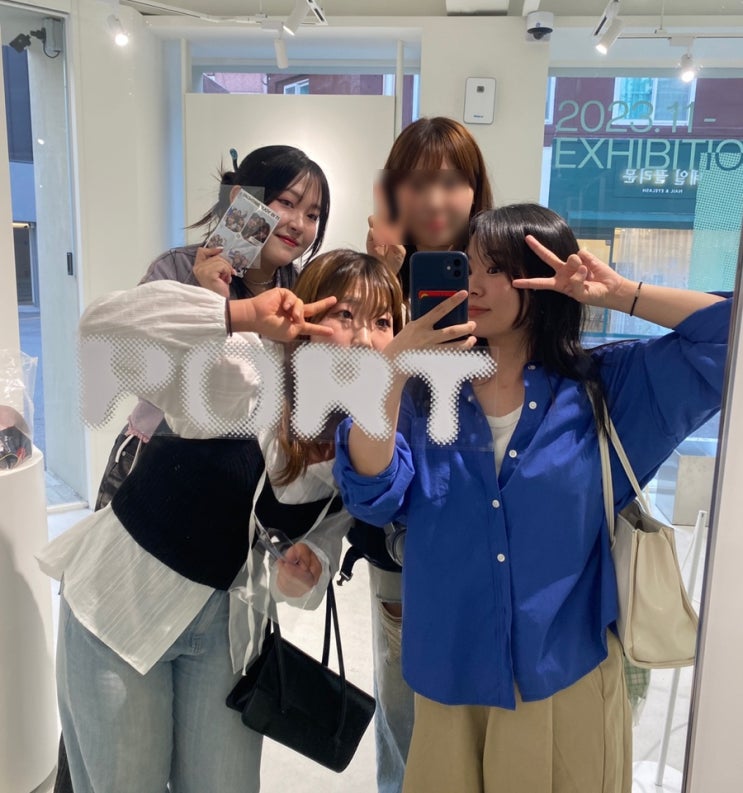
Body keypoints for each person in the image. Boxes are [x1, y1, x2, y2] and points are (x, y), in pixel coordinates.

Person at [334, 203, 732, 793]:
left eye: (495, 269)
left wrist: (620, 294)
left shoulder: (606, 389)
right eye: (466, 267)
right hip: (451, 674)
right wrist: (390, 370)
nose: (473, 284)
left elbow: (728, 336)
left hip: (562, 675)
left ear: (543, 280)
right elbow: (371, 494)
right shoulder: (419, 395)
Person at [38, 248, 403, 793]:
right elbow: (100, 330)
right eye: (346, 315)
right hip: (120, 609)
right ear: (308, 314)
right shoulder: (244, 372)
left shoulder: (364, 441)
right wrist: (236, 315)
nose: (366, 338)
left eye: (384, 321)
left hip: (228, 636)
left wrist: (308, 566)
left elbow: (324, 547)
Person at [52, 143, 331, 793]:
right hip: (151, 483)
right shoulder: (184, 269)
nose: (298, 221)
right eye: (284, 201)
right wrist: (220, 307)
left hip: (232, 567)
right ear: (243, 199)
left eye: (314, 212)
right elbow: (116, 344)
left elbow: (300, 449)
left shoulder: (301, 298)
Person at [350, 116, 494, 793]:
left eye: (452, 180)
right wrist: (383, 290)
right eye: (416, 182)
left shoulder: (499, 282)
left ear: (475, 189)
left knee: (486, 732)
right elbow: (341, 402)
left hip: (490, 537)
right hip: (402, 542)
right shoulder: (371, 290)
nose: (435, 199)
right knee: (408, 733)